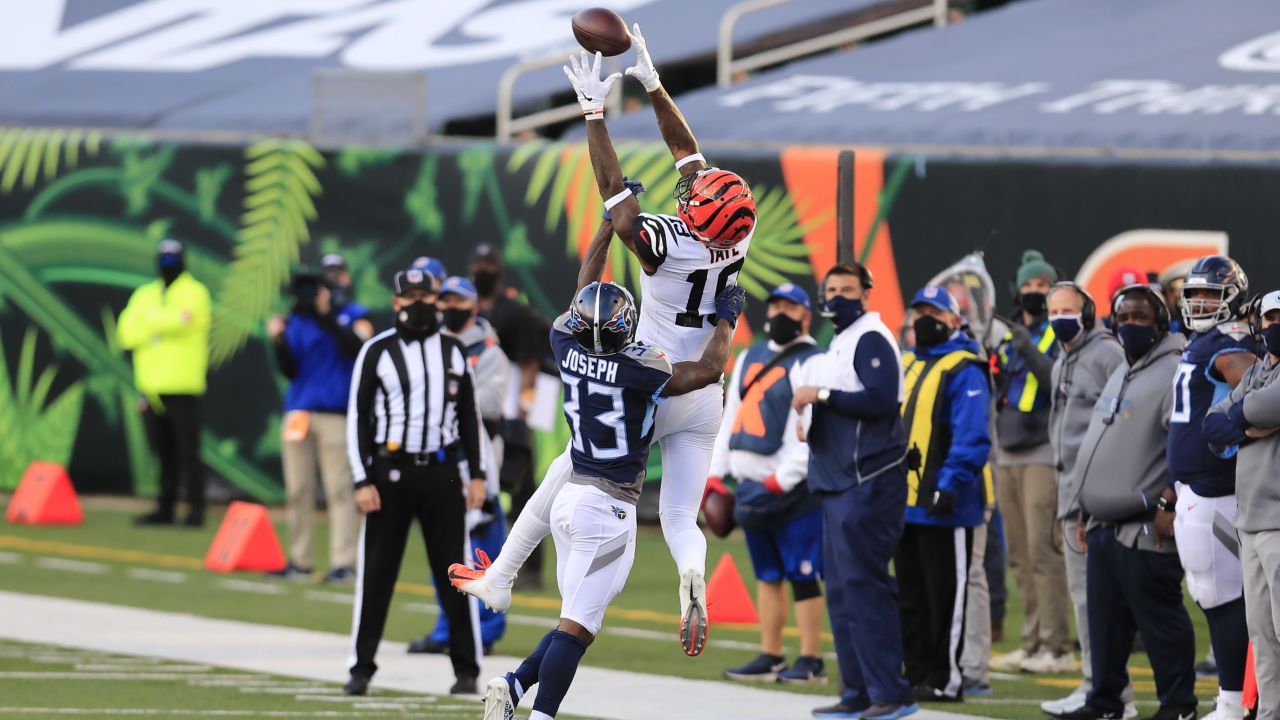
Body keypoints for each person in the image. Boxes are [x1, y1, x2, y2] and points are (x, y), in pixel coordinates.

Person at [453, 33, 759, 657]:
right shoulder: (736, 239)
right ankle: (690, 572)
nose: (689, 194)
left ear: (702, 218)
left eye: (695, 202)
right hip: (706, 390)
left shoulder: (672, 245)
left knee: (564, 468)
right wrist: (652, 83)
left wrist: (595, 116)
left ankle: (502, 578)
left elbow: (619, 209)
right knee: (679, 515)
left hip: (650, 380)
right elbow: (687, 152)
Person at [481, 226, 747, 720]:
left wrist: (606, 227)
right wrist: (727, 316)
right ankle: (542, 716)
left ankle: (514, 684)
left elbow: (584, 283)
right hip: (609, 508)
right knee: (576, 627)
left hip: (570, 498)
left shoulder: (564, 342)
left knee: (577, 622)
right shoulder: (642, 370)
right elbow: (709, 371)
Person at [343, 267, 488, 697]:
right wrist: (360, 479)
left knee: (456, 574)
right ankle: (361, 667)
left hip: (442, 474)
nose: (422, 304)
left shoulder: (453, 350)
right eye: (413, 297)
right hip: (390, 474)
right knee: (378, 573)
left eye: (429, 296)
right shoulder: (376, 350)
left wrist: (476, 474)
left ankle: (466, 669)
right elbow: (358, 420)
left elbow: (469, 416)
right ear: (397, 303)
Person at [1059, 284, 1197, 720]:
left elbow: (1184, 446)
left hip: (1142, 523)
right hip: (1102, 521)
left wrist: (1166, 502)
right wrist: (1084, 508)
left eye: (1140, 317)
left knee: (1160, 622)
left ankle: (1178, 706)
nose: (1130, 325)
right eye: (1123, 318)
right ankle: (1106, 702)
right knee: (1105, 626)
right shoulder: (1125, 368)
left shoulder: (1175, 369)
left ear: (1160, 323)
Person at [791, 263, 917, 720]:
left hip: (867, 480)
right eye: (832, 290)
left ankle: (892, 692)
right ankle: (858, 692)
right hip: (836, 481)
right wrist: (813, 420)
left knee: (864, 587)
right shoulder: (841, 343)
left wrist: (820, 398)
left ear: (866, 293)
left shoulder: (871, 337)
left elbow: (882, 400)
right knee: (842, 593)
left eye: (849, 289)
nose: (839, 297)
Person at [709, 283, 825, 684]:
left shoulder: (814, 361)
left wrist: (785, 477)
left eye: (790, 307)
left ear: (805, 315)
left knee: (803, 573)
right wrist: (715, 473)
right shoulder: (750, 356)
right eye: (775, 304)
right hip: (751, 486)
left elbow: (813, 429)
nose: (779, 313)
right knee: (767, 574)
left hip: (791, 489)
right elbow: (732, 416)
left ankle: (811, 658)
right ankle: (771, 653)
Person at [1164, 256, 1257, 720]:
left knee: (1225, 599)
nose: (1200, 302)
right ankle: (1234, 698)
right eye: (1194, 294)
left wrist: (1241, 428)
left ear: (1233, 298)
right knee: (1213, 595)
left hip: (1217, 488)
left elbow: (1257, 390)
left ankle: (1233, 702)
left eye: (1211, 295)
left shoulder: (1228, 342)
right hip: (1196, 489)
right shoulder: (1203, 340)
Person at [896, 286, 992, 703]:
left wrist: (949, 484)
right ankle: (915, 672)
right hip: (905, 503)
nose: (924, 319)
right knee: (911, 596)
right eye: (919, 311)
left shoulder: (965, 367)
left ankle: (945, 677)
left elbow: (971, 435)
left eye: (934, 312)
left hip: (944, 504)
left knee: (946, 598)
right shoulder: (908, 363)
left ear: (955, 319)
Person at [1040, 281, 1130, 718]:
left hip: (1091, 497)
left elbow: (1117, 426)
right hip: (1069, 490)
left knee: (1097, 599)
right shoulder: (1065, 356)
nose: (1059, 317)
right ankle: (1095, 684)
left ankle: (1111, 692)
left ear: (1089, 311)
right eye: (1052, 309)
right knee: (1084, 597)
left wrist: (1090, 495)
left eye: (1067, 309)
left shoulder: (1105, 355)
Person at [408, 275, 511, 655]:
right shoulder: (431, 347)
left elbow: (489, 406)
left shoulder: (488, 351)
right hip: (444, 463)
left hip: (481, 462)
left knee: (485, 551)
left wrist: (448, 393)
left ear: (473, 306)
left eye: (457, 301)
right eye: (445, 300)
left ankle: (485, 630)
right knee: (446, 552)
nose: (450, 308)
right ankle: (447, 628)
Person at [989, 250, 1073, 675]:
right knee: (1019, 555)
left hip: (1041, 450)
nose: (1035, 293)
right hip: (1007, 451)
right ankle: (1032, 639)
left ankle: (1057, 645)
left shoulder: (1057, 332)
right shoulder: (1008, 331)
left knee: (1044, 551)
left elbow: (1055, 382)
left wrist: (1025, 345)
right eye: (1030, 286)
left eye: (1042, 286)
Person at [266, 265, 371, 583]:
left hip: (335, 413)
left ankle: (343, 563)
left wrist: (327, 316)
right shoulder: (296, 321)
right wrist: (279, 341)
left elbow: (358, 348)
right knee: (297, 489)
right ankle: (300, 560)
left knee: (339, 490)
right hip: (299, 411)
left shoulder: (352, 315)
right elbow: (289, 370)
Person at [1204, 290, 1280, 720]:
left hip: (1278, 520)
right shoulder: (1258, 371)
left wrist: (1241, 419)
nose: (1276, 326)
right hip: (1250, 519)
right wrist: (1248, 426)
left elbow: (1256, 409)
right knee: (1262, 635)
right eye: (1270, 319)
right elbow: (1213, 424)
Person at [471, 242, 552, 591]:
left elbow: (529, 362)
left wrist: (524, 408)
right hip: (478, 409)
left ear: (497, 270)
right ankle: (478, 559)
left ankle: (530, 569)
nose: (482, 270)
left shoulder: (512, 312)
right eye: (479, 264)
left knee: (521, 488)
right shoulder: (469, 310)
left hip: (510, 410)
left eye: (488, 264)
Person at [117, 239, 212, 527]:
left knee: (188, 451)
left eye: (173, 259)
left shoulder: (195, 292)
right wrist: (161, 322)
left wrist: (148, 322)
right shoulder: (146, 292)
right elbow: (125, 333)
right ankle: (165, 507)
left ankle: (196, 509)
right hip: (151, 387)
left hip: (182, 386)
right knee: (163, 453)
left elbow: (183, 321)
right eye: (164, 259)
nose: (168, 265)